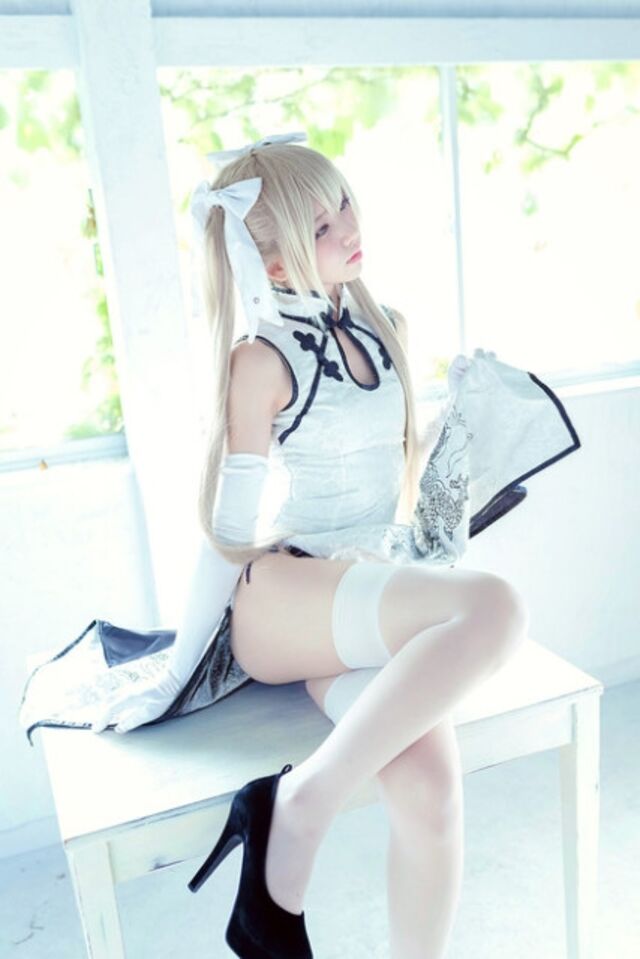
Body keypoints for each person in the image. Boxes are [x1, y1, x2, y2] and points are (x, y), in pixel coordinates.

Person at [92, 132, 531, 959]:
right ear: (274, 263)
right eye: (321, 226)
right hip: (284, 601)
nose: (349, 228)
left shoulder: (386, 327)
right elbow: (230, 532)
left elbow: (390, 468)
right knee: (497, 606)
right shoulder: (259, 360)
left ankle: (309, 837)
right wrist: (182, 664)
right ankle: (296, 810)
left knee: (431, 789)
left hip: (365, 585)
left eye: (345, 203)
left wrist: (465, 419)